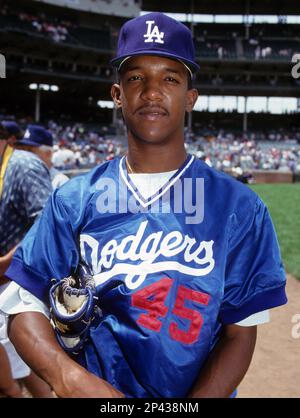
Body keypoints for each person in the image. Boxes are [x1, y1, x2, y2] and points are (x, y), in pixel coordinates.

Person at [0, 12, 287, 398]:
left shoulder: (240, 207)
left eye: (170, 78)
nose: (152, 92)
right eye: (136, 78)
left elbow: (239, 332)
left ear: (190, 98)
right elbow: (23, 307)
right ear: (117, 94)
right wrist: (69, 379)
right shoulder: (73, 199)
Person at [0, 121, 54, 397]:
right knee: (18, 362)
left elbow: (47, 223)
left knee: (17, 358)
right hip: (7, 279)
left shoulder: (24, 166)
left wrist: (7, 262)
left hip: (16, 279)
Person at [15, 124, 69, 190]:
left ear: (48, 154)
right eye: (24, 149)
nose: (25, 154)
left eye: (30, 150)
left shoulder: (61, 182)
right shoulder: (20, 177)